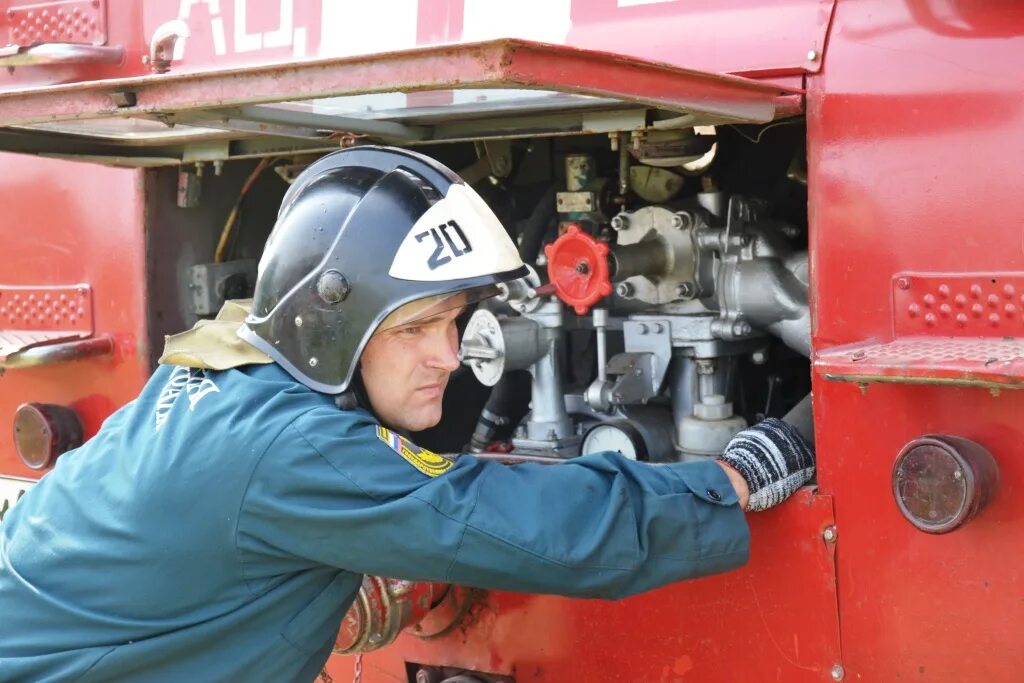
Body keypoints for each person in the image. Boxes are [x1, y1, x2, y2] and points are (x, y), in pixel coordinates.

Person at [0, 147, 814, 682]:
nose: (453, 357)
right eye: (418, 327)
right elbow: (518, 525)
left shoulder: (222, 367)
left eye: (454, 323)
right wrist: (727, 478)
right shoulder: (287, 446)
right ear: (335, 320)